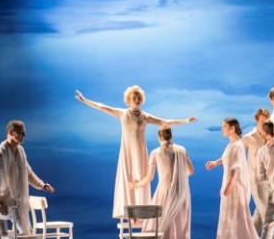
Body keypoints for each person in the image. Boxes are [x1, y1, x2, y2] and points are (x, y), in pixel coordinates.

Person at [75, 87, 196, 219]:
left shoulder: (145, 116)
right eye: (134, 98)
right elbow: (102, 107)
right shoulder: (122, 113)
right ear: (128, 100)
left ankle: (141, 215)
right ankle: (128, 214)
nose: (137, 100)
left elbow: (165, 122)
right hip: (127, 152)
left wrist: (185, 121)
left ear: (142, 99)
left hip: (140, 153)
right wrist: (84, 100)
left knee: (140, 178)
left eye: (139, 98)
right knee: (127, 180)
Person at [0, 120, 55, 239]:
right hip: (2, 203)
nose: (23, 135)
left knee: (27, 234)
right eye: (19, 132)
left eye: (23, 132)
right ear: (10, 133)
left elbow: (28, 172)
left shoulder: (21, 151)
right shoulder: (0, 153)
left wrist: (42, 185)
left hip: (18, 203)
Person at [129, 127, 194, 239]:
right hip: (182, 190)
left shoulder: (156, 152)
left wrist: (136, 185)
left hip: (164, 190)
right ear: (171, 136)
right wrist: (179, 178)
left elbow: (149, 178)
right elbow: (191, 170)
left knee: (157, 222)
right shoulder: (182, 150)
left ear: (159, 137)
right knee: (180, 224)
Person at [205, 118, 259, 239]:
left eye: (224, 127)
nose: (222, 129)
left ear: (233, 128)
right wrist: (215, 163)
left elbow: (236, 167)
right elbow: (227, 158)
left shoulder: (238, 145)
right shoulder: (232, 145)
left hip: (235, 185)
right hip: (229, 182)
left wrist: (229, 185)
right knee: (227, 215)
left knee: (237, 216)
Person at [242, 108, 274, 239]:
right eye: (263, 120)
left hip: (270, 179)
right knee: (267, 212)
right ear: (257, 120)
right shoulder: (248, 138)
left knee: (259, 214)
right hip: (255, 180)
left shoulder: (271, 136)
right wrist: (217, 162)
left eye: (267, 120)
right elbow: (235, 153)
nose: (266, 123)